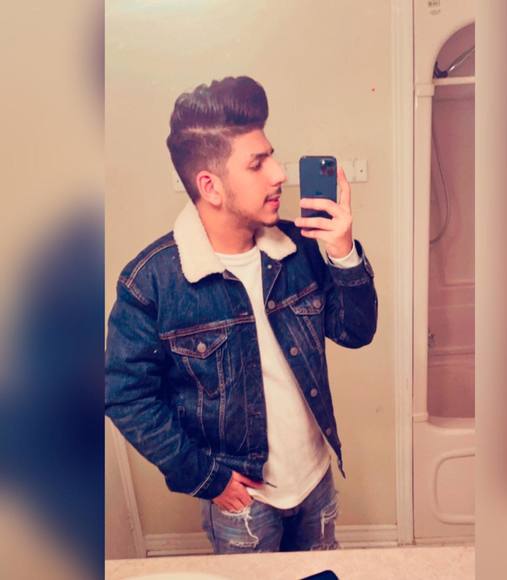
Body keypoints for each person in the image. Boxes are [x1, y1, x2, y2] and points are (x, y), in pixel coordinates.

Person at [105, 76, 378, 553]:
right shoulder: (152, 282)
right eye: (257, 164)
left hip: (315, 478)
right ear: (209, 186)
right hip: (243, 501)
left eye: (272, 156)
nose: (278, 174)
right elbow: (125, 394)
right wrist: (203, 477)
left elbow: (356, 332)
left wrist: (343, 252)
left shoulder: (300, 248)